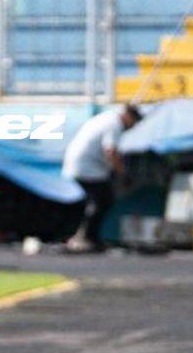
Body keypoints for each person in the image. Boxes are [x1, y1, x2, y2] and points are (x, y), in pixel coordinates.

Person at [61, 103, 142, 253]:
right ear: (128, 116)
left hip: (84, 165)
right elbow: (111, 150)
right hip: (87, 167)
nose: (133, 126)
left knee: (100, 200)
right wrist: (122, 173)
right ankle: (86, 237)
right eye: (134, 122)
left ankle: (88, 236)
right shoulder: (114, 124)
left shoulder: (107, 118)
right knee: (102, 200)